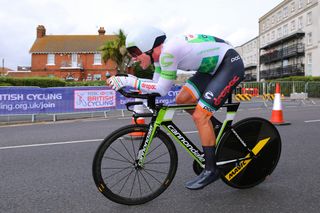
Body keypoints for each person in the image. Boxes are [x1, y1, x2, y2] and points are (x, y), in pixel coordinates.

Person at [108, 26, 245, 190]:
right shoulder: (160, 58)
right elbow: (155, 86)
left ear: (148, 47)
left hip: (229, 64)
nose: (134, 58)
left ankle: (211, 169)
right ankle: (215, 127)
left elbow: (162, 89)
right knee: (182, 99)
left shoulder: (168, 53)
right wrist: (131, 84)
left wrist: (131, 81)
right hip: (210, 70)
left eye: (136, 53)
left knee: (200, 116)